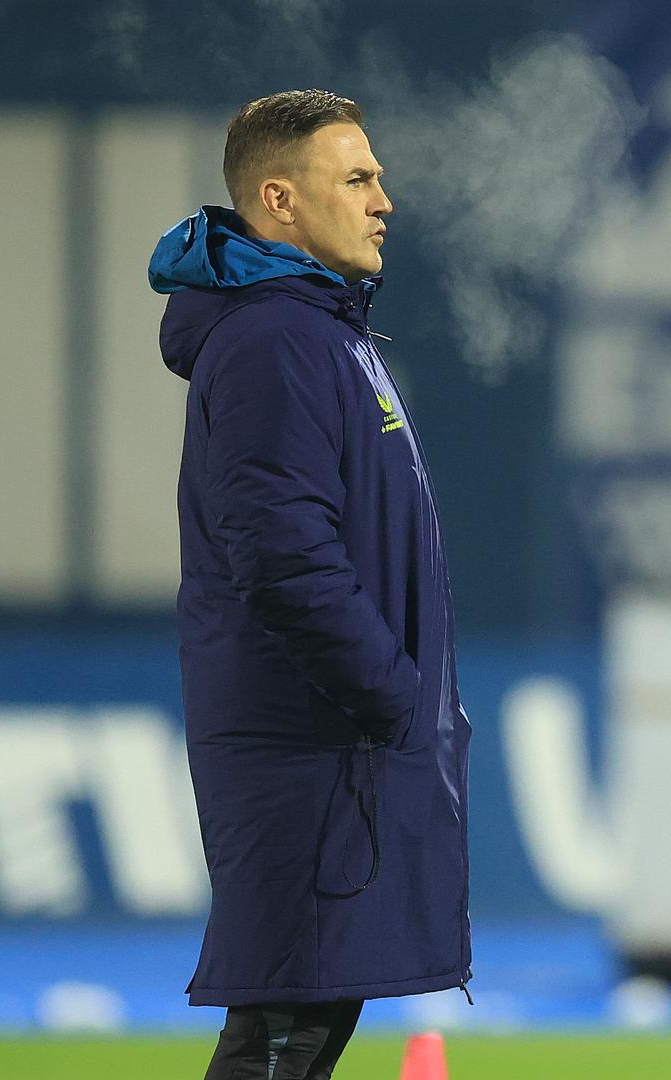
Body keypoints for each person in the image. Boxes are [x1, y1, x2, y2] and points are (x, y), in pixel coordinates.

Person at [148, 89, 471, 1080]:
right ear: (279, 201)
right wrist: (390, 693)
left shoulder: (324, 332)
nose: (385, 200)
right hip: (310, 746)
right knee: (282, 1033)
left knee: (303, 1026)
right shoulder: (274, 342)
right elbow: (282, 555)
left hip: (332, 747)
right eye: (359, 178)